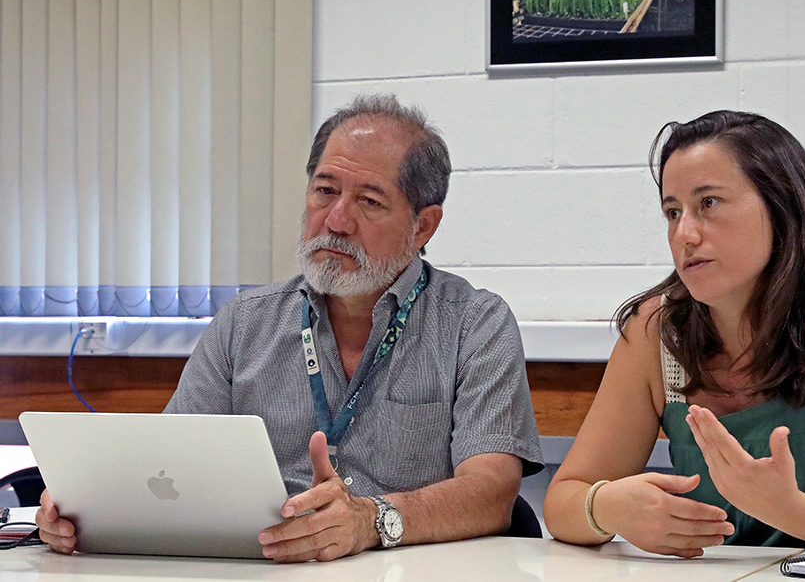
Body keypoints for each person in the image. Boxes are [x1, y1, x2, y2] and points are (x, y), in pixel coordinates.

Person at [36, 93, 544, 562]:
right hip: (266, 564)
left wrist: (372, 522)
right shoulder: (244, 323)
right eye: (325, 191)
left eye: (369, 201)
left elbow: (491, 493)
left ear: (424, 226)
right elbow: (166, 464)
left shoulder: (475, 324)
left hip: (404, 568)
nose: (336, 220)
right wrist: (83, 506)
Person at [543, 110, 805, 557]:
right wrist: (607, 509)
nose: (685, 234)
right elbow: (562, 503)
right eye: (672, 212)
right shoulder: (656, 329)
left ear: (781, 206)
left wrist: (788, 508)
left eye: (709, 203)